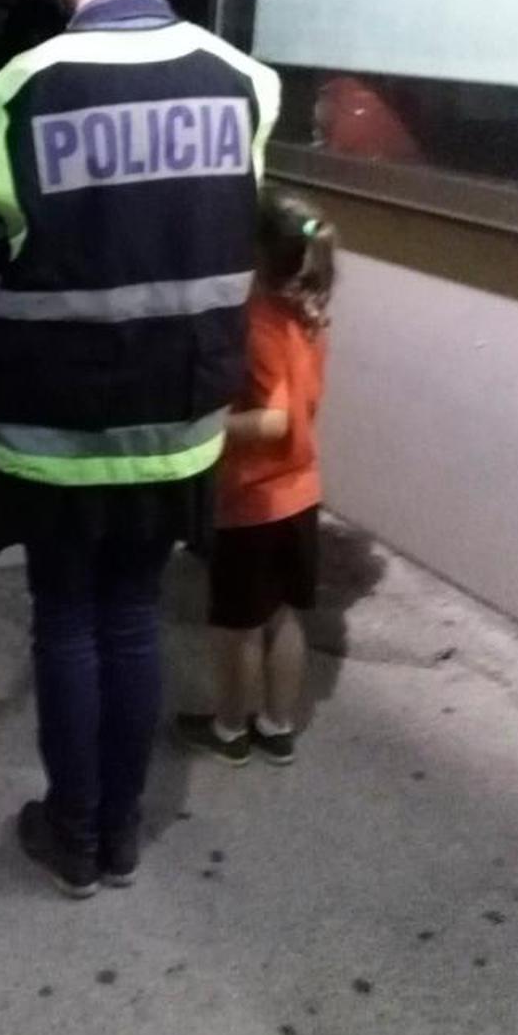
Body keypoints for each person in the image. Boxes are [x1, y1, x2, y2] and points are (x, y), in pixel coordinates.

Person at [0, 0, 280, 898]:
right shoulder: (245, 84)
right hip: (178, 418)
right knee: (134, 615)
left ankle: (75, 833)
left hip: (51, 429)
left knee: (66, 619)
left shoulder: (16, 96)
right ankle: (122, 833)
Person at [176, 189, 335, 767]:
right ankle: (277, 724)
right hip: (301, 492)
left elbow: (273, 418)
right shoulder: (310, 314)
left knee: (235, 625)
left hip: (254, 499)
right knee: (284, 616)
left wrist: (203, 430)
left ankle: (228, 730)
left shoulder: (259, 322)